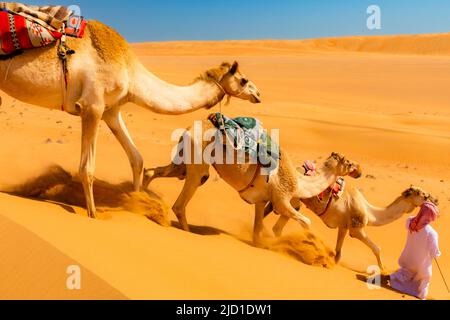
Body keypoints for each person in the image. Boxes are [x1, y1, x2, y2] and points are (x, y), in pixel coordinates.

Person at [390, 201, 441, 300]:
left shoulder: (410, 222)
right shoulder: (431, 233)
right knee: (425, 277)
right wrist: (437, 254)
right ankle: (421, 295)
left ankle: (397, 283)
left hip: (408, 258)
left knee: (407, 271)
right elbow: (434, 252)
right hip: (421, 264)